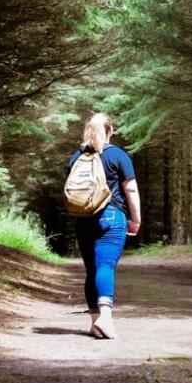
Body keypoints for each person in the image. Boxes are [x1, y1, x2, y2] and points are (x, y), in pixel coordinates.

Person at [68, 112, 141, 339]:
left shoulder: (75, 158)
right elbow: (130, 189)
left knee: (91, 270)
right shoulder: (117, 155)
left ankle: (94, 322)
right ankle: (106, 319)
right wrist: (135, 219)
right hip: (111, 216)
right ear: (110, 130)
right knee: (105, 266)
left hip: (83, 220)